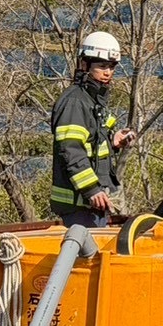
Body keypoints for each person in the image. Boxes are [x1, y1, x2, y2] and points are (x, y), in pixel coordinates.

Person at [51, 31, 135, 228]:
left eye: (111, 67)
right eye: (102, 66)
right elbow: (71, 150)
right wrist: (91, 190)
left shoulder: (91, 100)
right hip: (79, 205)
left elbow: (92, 144)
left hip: (92, 203)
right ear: (84, 65)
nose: (108, 72)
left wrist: (113, 141)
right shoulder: (75, 102)